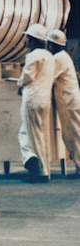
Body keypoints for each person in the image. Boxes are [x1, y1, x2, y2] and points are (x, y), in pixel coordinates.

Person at [17, 23, 55, 183]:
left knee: (30, 135)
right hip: (45, 99)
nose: (26, 41)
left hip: (32, 98)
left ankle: (38, 169)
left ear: (33, 40)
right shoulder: (50, 56)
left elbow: (28, 76)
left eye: (28, 38)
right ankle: (39, 166)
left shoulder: (33, 55)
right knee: (33, 134)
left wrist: (19, 84)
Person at [47, 28, 80, 176]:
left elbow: (48, 77)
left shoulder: (58, 58)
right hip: (69, 100)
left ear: (52, 45)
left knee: (73, 135)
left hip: (68, 101)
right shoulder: (63, 56)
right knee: (73, 134)